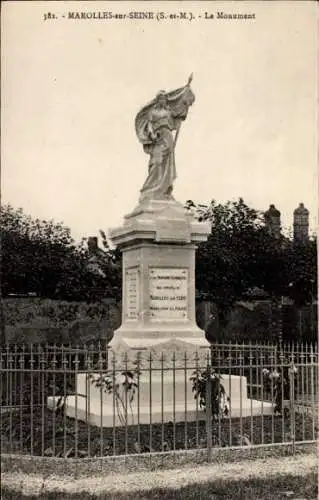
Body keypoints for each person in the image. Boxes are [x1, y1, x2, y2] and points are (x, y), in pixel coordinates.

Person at [135, 77, 195, 202]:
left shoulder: (169, 112)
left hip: (168, 137)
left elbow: (179, 114)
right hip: (158, 137)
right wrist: (152, 134)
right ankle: (150, 189)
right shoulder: (153, 112)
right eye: (160, 98)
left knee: (168, 163)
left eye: (164, 98)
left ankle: (165, 190)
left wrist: (185, 98)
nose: (163, 100)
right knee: (156, 163)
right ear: (157, 100)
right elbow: (149, 125)